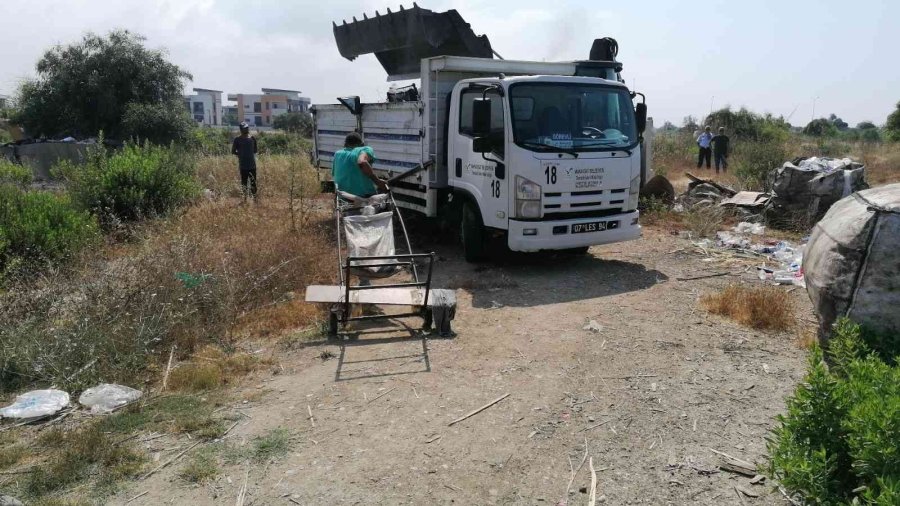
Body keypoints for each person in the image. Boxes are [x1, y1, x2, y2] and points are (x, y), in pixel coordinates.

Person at [332, 132, 386, 197]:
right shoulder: (364, 149)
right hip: (363, 197)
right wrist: (377, 181)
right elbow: (362, 162)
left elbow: (335, 175)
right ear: (361, 144)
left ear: (345, 144)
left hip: (342, 197)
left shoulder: (337, 154)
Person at [232, 122, 258, 201]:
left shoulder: (252, 138)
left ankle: (254, 199)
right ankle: (245, 199)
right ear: (241, 129)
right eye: (244, 128)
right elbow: (233, 151)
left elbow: (255, 150)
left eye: (247, 128)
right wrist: (240, 154)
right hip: (243, 165)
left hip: (252, 165)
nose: (246, 129)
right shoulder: (237, 139)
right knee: (244, 183)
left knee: (253, 183)